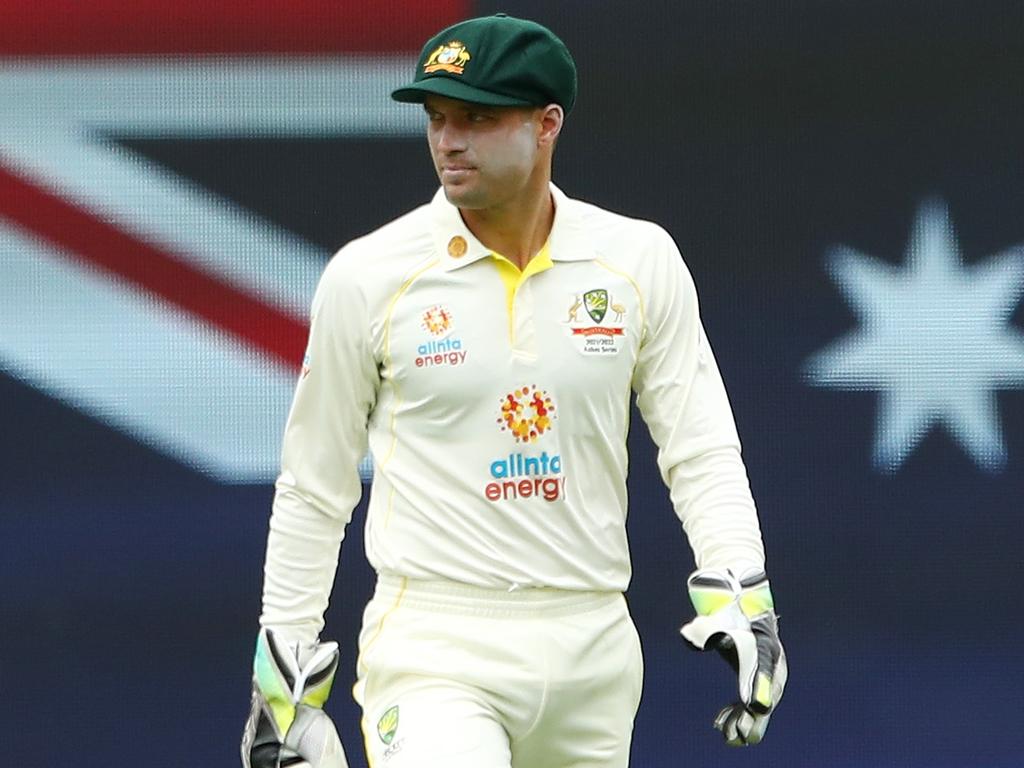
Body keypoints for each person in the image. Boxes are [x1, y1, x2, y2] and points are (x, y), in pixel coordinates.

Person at [241, 13, 786, 768]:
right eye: (436, 118)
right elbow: (316, 484)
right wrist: (283, 681)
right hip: (435, 643)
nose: (448, 140)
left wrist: (741, 591)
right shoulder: (369, 277)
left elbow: (698, 445)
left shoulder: (636, 260)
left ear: (546, 124)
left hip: (592, 645)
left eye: (478, 117)